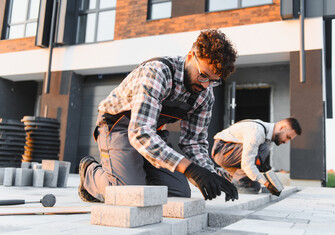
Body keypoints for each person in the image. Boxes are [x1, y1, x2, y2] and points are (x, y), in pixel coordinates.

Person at [78, 29, 238, 203]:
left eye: (213, 81)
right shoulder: (157, 73)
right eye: (203, 76)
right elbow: (140, 132)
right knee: (128, 196)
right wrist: (190, 168)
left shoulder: (205, 96)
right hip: (118, 126)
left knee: (178, 195)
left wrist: (210, 174)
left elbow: (194, 142)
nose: (205, 85)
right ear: (191, 56)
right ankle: (90, 172)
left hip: (153, 133)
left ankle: (133, 175)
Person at [211, 118, 302, 196]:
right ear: (282, 127)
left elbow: (262, 166)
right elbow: (247, 163)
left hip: (232, 153)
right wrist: (267, 184)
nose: (286, 142)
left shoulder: (268, 138)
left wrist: (274, 183)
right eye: (288, 137)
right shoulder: (257, 131)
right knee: (262, 149)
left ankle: (218, 175)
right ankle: (239, 181)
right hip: (222, 150)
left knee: (253, 187)